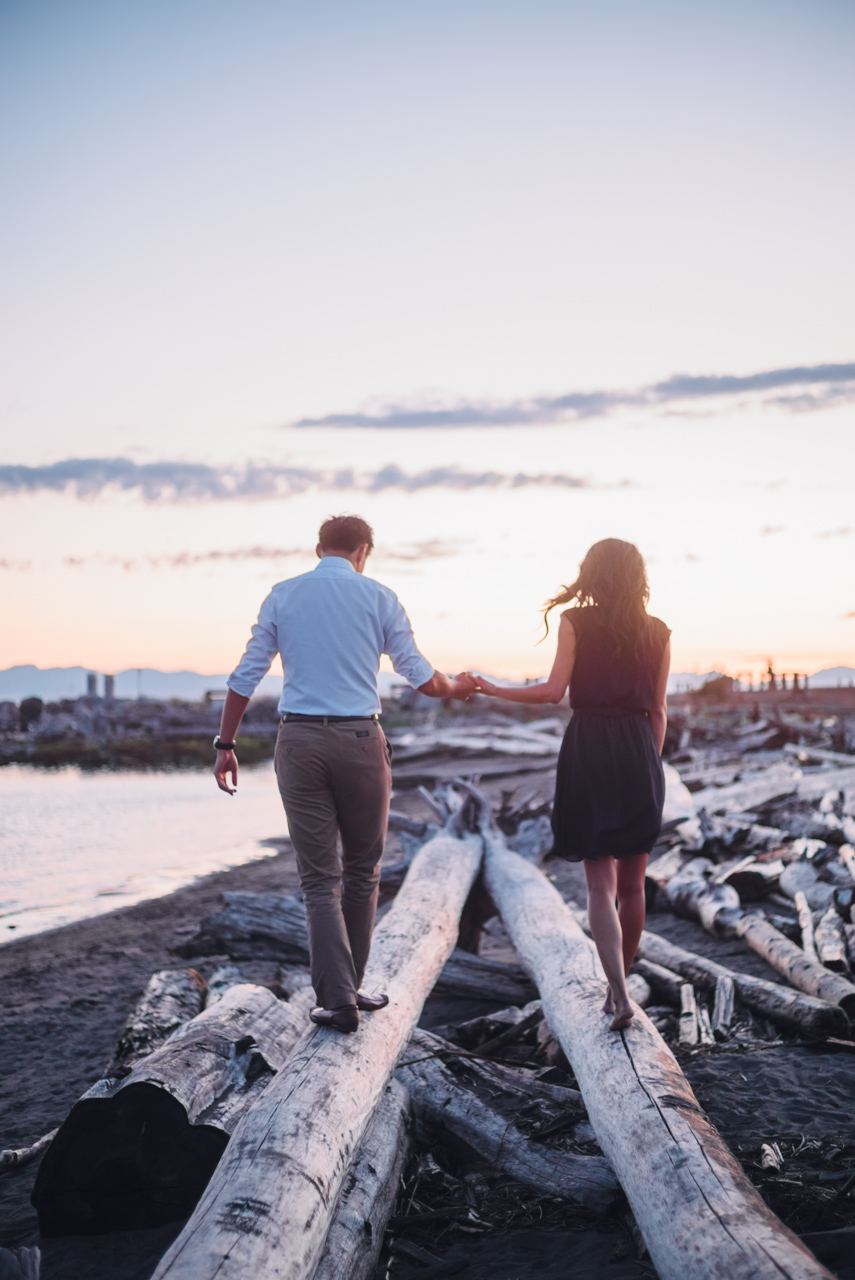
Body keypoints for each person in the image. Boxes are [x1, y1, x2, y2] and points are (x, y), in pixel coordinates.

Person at [213, 514, 475, 1033]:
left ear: (318, 549)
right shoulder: (379, 596)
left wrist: (226, 744)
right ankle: (347, 990)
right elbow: (420, 676)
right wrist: (457, 686)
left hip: (300, 741)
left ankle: (339, 998)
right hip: (361, 739)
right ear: (364, 551)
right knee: (363, 870)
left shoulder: (283, 595)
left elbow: (246, 675)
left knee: (318, 878)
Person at [470, 538, 670, 1031]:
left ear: (592, 573)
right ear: (636, 577)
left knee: (599, 885)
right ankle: (619, 984)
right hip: (640, 750)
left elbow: (552, 692)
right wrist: (650, 763)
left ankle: (619, 994)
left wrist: (493, 687)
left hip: (589, 748)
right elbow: (659, 710)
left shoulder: (575, 621)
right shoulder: (659, 632)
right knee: (633, 885)